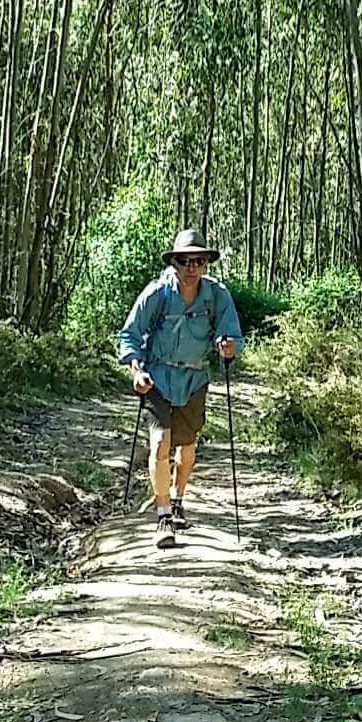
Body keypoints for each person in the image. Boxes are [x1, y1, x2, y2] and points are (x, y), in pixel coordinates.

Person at [116, 229, 243, 543]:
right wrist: (136, 370)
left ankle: (177, 498)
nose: (191, 267)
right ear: (174, 262)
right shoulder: (156, 293)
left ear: (206, 264)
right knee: (160, 443)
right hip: (158, 377)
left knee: (186, 448)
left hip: (195, 380)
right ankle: (162, 517)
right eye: (185, 260)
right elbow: (130, 335)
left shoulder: (217, 295)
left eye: (198, 261)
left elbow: (231, 335)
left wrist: (228, 347)